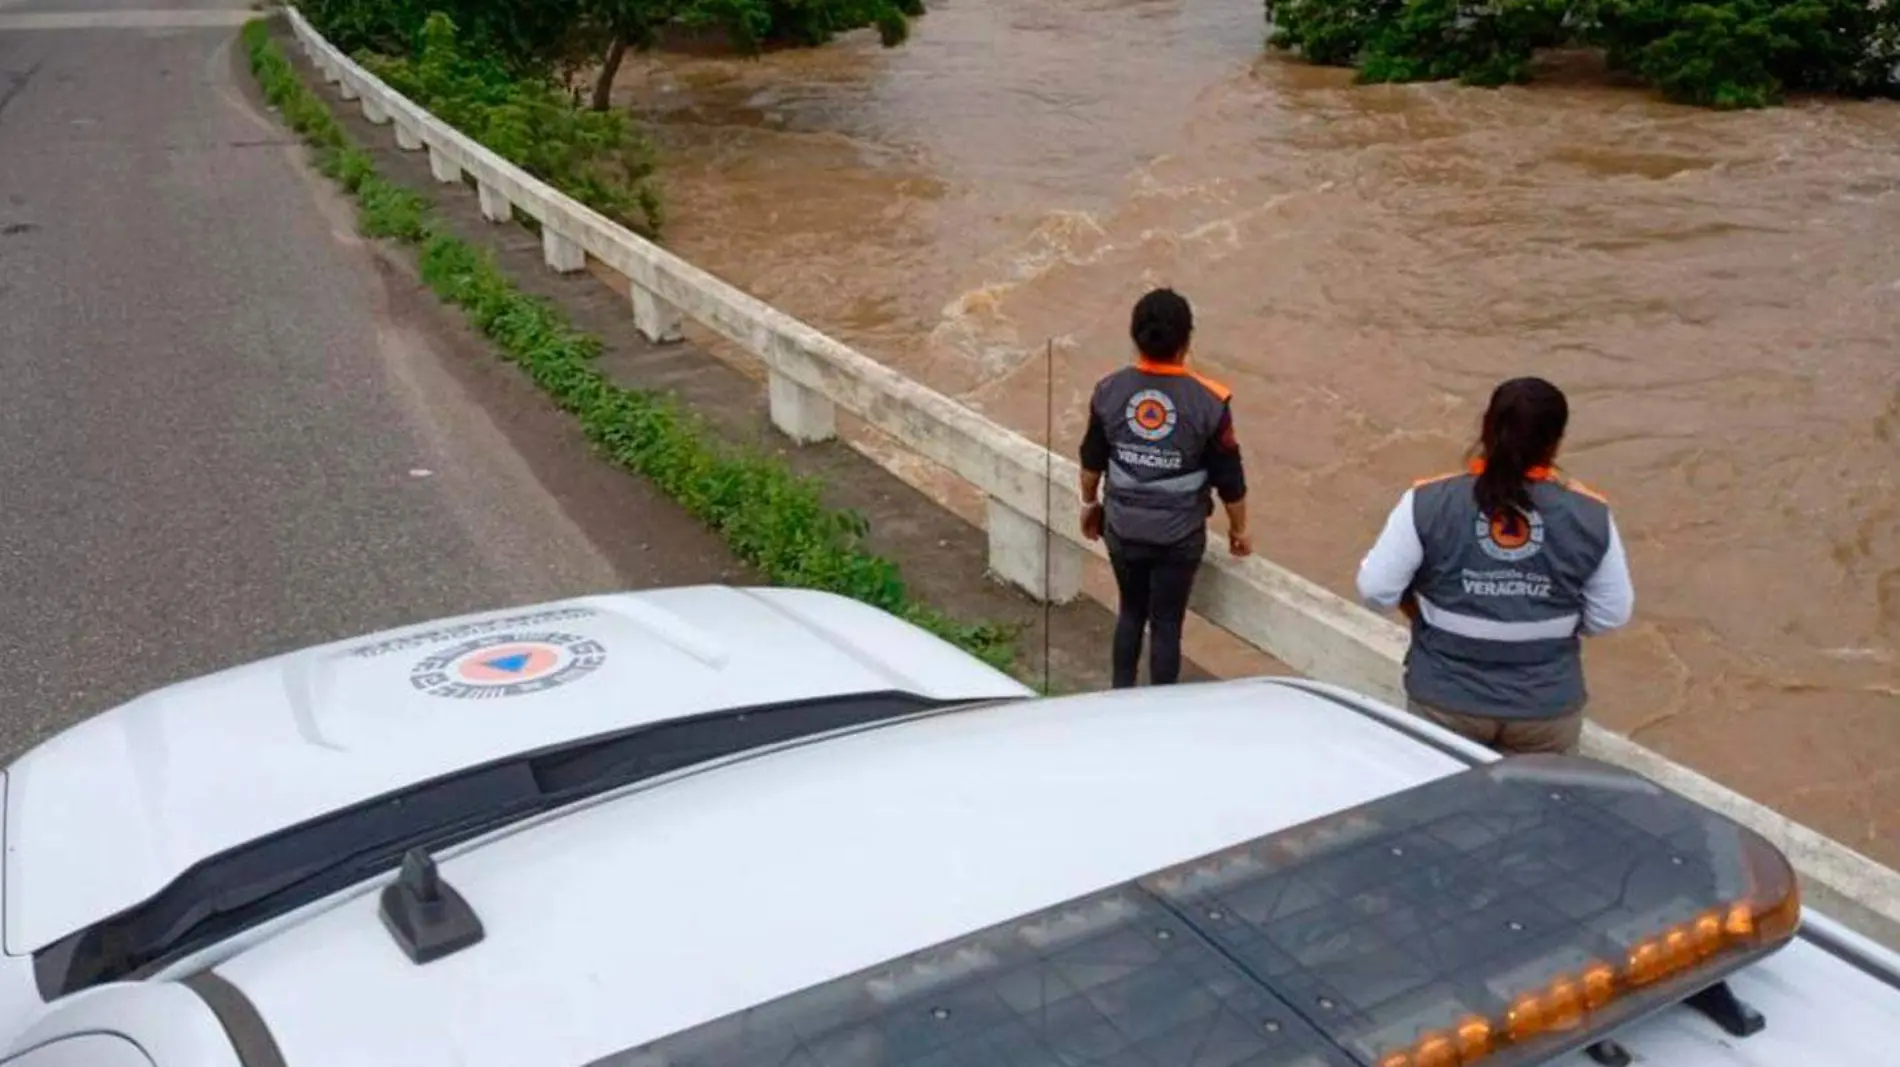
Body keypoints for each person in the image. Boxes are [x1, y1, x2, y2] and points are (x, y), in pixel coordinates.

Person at [1355, 376, 1634, 754]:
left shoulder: (1427, 501)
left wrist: (1423, 612)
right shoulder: (1590, 513)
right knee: (1537, 810)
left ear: (1486, 428)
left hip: (1446, 700)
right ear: (1557, 440)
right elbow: (1610, 615)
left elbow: (1376, 590)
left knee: (1445, 810)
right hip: (1545, 709)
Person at [1079, 288, 1252, 689]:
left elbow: (1091, 462)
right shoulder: (1211, 402)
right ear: (1187, 341)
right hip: (1179, 538)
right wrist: (1239, 529)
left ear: (1134, 336)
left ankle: (1120, 695)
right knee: (1167, 624)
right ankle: (1162, 711)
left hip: (1122, 528)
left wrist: (1089, 505)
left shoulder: (1108, 390)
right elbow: (1230, 479)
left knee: (1130, 612)